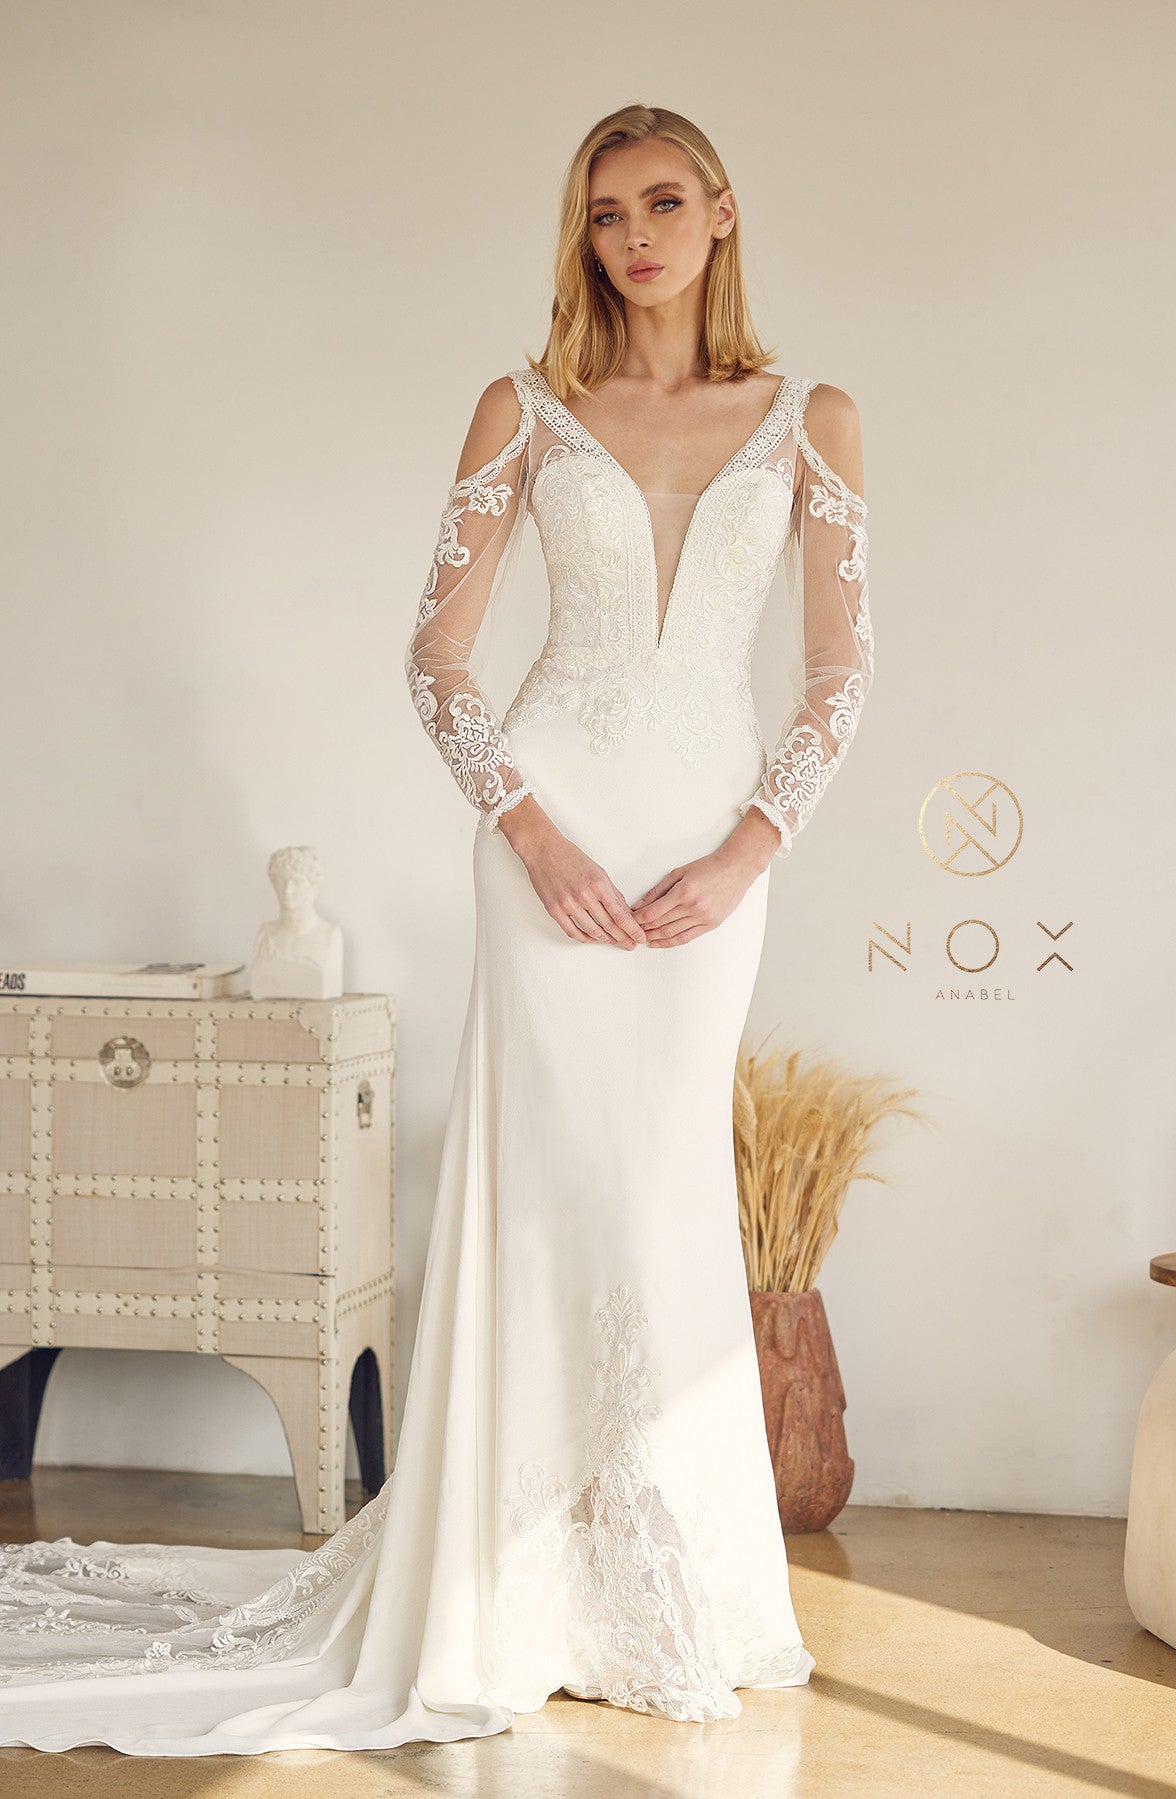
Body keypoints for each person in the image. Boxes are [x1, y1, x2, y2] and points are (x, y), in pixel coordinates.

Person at [0, 100, 873, 1755]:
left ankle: (669, 1580)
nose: (634, 234)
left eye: (663, 202)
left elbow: (840, 675)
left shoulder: (809, 417)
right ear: (583, 234)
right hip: (549, 836)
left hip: (715, 854)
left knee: (664, 1191)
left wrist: (750, 851)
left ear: (721, 214)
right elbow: (439, 657)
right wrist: (529, 832)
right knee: (553, 1194)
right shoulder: (526, 409)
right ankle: (513, 1582)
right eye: (605, 210)